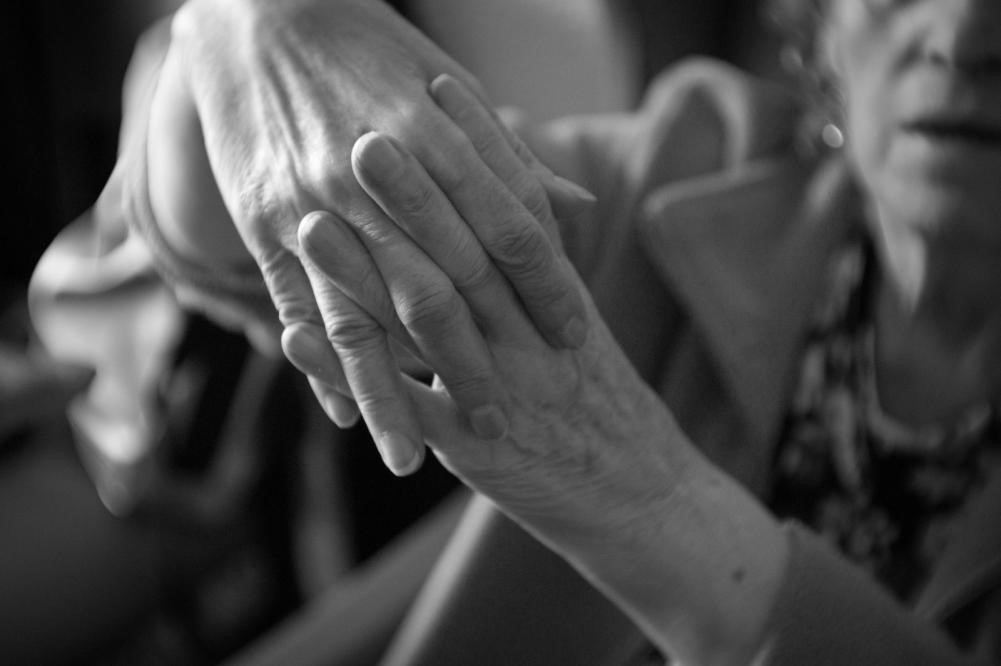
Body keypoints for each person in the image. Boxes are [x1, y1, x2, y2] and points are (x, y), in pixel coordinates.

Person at [30, 0, 1001, 663]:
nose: (960, 35)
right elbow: (217, 254)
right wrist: (249, 29)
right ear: (821, 29)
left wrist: (655, 506)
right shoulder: (692, 175)